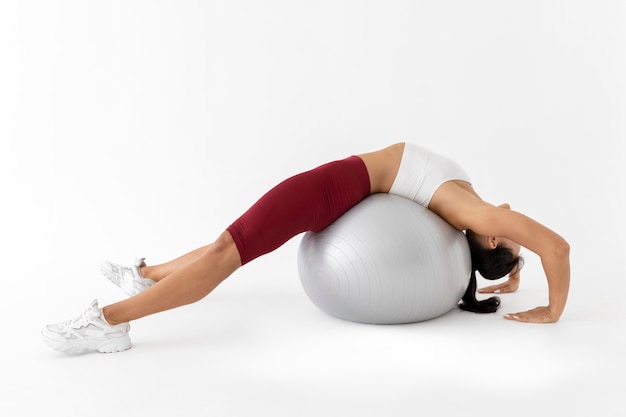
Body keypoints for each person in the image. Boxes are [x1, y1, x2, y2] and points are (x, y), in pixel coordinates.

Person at [42, 142, 570, 353]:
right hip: (346, 195)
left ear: (494, 237)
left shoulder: (474, 214)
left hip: (334, 190)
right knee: (237, 236)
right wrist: (514, 276)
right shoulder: (470, 210)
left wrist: (553, 308)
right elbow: (518, 249)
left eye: (509, 237)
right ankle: (149, 274)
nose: (512, 216)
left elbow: (559, 247)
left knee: (232, 248)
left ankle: (110, 323)